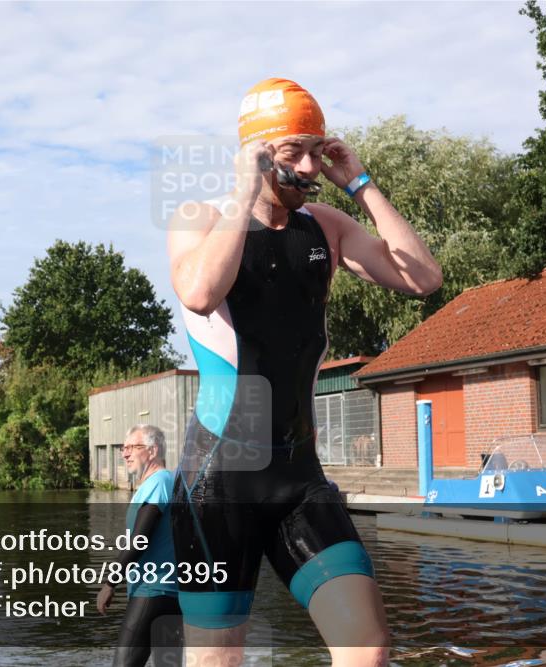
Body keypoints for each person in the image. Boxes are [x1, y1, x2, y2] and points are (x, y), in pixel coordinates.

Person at [166, 78, 442, 667]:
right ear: (257, 151)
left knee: (366, 649)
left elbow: (422, 280)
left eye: (318, 150)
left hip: (299, 473)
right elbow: (197, 292)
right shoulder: (200, 218)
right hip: (220, 479)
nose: (312, 166)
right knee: (220, 659)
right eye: (295, 151)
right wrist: (245, 192)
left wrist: (361, 183)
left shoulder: (327, 227)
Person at [97, 424, 182, 667]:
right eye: (123, 448)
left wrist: (110, 583)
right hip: (169, 592)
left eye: (132, 447)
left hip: (153, 590)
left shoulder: (159, 481)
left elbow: (139, 541)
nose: (125, 453)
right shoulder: (162, 482)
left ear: (153, 451)